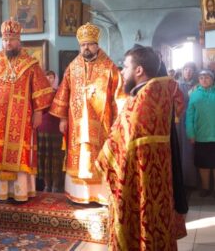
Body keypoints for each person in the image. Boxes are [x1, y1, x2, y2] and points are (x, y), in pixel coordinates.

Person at [96, 46, 186, 250]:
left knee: (140, 221)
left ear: (139, 70)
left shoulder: (138, 103)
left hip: (137, 180)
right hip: (161, 178)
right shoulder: (161, 92)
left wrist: (101, 158)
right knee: (156, 221)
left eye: (126, 66)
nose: (122, 72)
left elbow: (114, 147)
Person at [0, 18, 54, 202]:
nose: (8, 43)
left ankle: (19, 192)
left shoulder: (31, 64)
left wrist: (38, 112)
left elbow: (41, 89)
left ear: (19, 41)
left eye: (12, 40)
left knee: (19, 153)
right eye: (5, 40)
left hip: (21, 120)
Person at [49, 22, 123, 204]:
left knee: (99, 157)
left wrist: (117, 121)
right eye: (83, 45)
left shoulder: (109, 67)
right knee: (79, 158)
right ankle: (79, 195)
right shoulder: (73, 67)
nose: (86, 48)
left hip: (102, 124)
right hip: (77, 125)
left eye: (89, 44)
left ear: (97, 45)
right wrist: (63, 118)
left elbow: (118, 96)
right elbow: (64, 93)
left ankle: (100, 196)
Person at [186, 69, 215, 197]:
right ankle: (205, 188)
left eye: (207, 77)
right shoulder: (194, 94)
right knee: (203, 165)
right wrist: (190, 133)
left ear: (212, 79)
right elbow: (189, 115)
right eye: (201, 77)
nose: (204, 79)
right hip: (201, 137)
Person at [37, 70, 64, 193]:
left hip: (56, 129)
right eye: (46, 76)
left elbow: (61, 108)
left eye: (51, 77)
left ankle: (56, 185)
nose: (49, 79)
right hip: (42, 129)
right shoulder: (39, 93)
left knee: (55, 158)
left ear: (55, 78)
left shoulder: (60, 92)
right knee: (44, 157)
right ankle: (46, 185)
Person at [176, 62, 198, 188]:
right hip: (179, 119)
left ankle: (192, 180)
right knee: (180, 148)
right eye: (186, 69)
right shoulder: (177, 85)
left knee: (191, 149)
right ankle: (181, 179)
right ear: (182, 71)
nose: (188, 72)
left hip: (194, 119)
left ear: (194, 72)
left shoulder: (198, 85)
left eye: (191, 70)